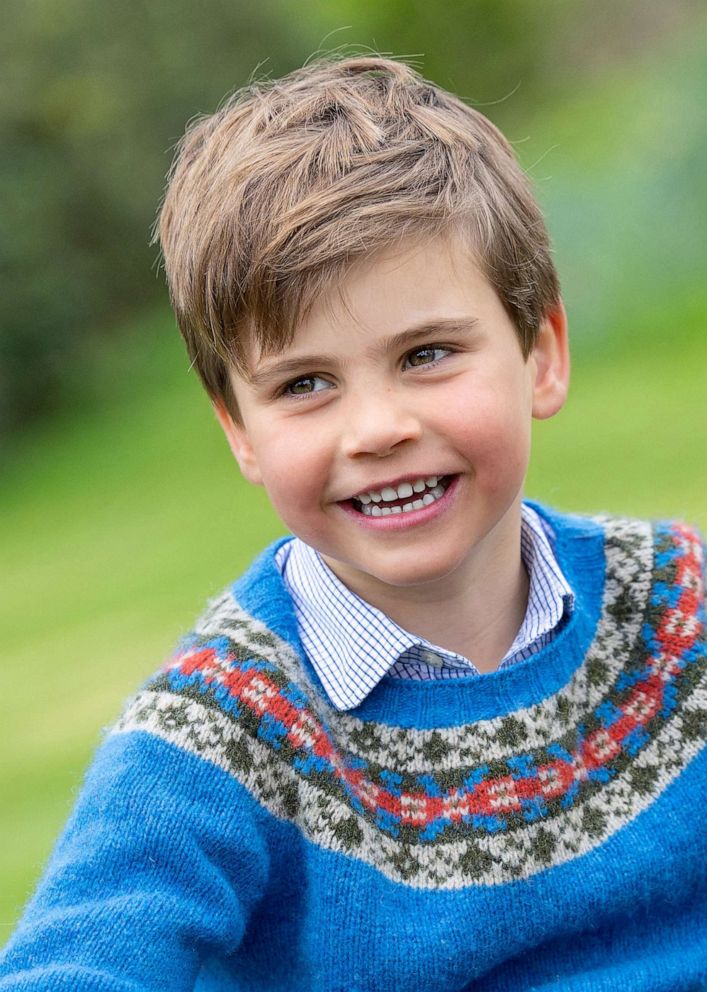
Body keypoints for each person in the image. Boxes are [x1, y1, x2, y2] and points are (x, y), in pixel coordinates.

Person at [1, 55, 705, 992]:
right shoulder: (218, 737)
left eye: (426, 354)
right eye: (304, 384)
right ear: (238, 432)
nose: (376, 430)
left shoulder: (679, 606)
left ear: (540, 354)